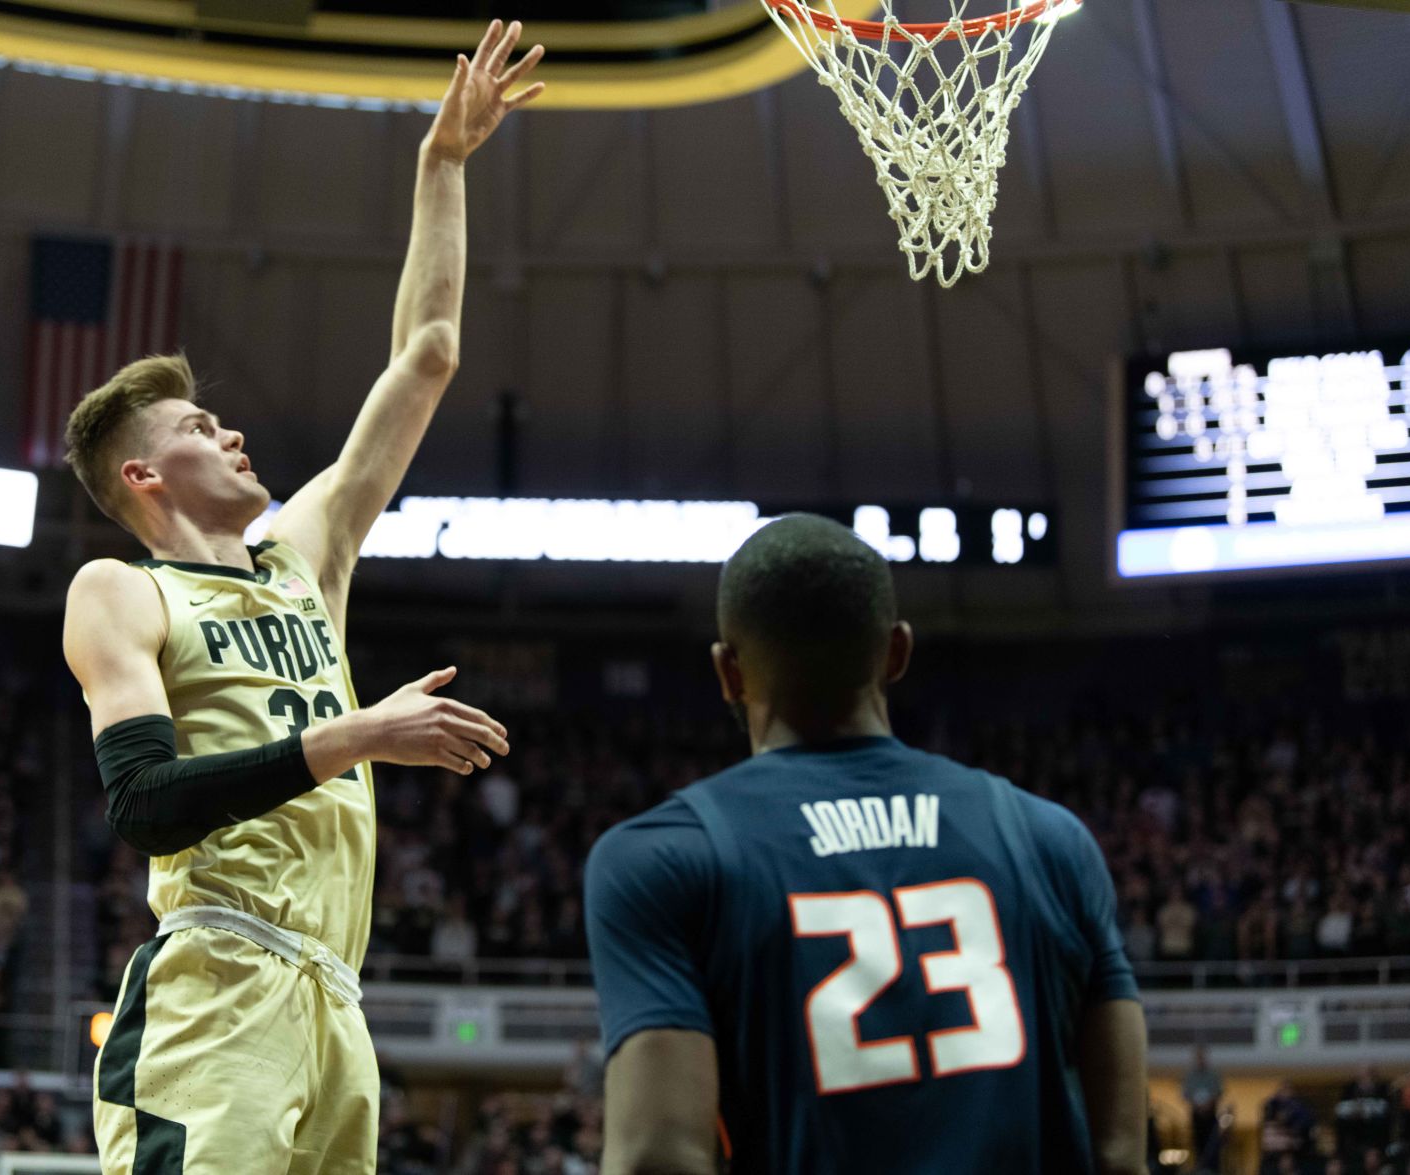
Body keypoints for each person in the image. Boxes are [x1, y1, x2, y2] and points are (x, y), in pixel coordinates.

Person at [60, 21, 543, 1174]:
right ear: (141, 474)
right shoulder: (120, 589)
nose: (228, 430)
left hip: (337, 997)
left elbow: (423, 355)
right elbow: (147, 805)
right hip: (216, 979)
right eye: (193, 427)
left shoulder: (303, 554)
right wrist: (359, 733)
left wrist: (442, 168)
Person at [584, 515, 1148, 1175]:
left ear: (727, 671)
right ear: (897, 652)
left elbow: (658, 1156)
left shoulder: (659, 857)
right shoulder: (1050, 838)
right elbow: (1119, 1154)